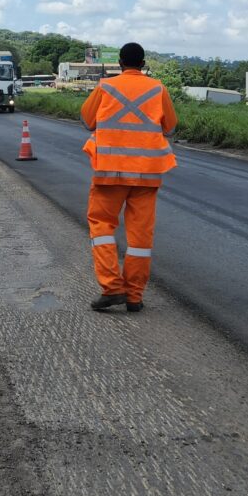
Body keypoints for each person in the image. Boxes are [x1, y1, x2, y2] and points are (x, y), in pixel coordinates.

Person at [80, 42, 177, 313]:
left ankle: (112, 288)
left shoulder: (106, 86)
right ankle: (134, 296)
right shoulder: (158, 88)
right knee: (140, 237)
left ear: (120, 63)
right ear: (143, 64)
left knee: (101, 226)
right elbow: (169, 127)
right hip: (147, 175)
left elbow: (88, 121)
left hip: (110, 172)